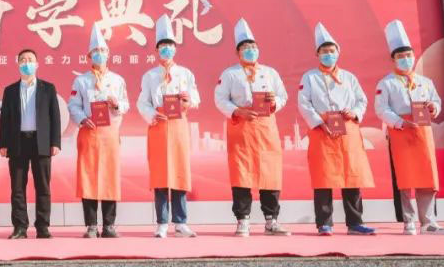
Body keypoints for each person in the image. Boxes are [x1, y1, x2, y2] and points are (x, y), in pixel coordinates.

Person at [374, 19, 444, 236]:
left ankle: (428, 222)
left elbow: (436, 101)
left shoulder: (425, 82)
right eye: (401, 56)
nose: (406, 59)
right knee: (405, 177)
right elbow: (381, 109)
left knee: (427, 175)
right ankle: (408, 221)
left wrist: (434, 107)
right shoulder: (386, 83)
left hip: (423, 133)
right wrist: (400, 122)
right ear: (393, 59)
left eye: (408, 55)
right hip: (400, 134)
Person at [296, 23, 376, 236]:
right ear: (317, 54)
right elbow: (304, 103)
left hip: (347, 131)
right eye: (324, 51)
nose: (328, 54)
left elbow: (361, 100)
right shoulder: (309, 77)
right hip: (322, 131)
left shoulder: (349, 77)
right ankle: (324, 223)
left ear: (338, 52)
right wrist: (318, 122)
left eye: (332, 51)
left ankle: (355, 223)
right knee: (324, 177)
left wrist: (354, 112)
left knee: (352, 176)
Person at [214, 18, 291, 237]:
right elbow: (220, 99)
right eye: (246, 47)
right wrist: (238, 111)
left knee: (270, 173)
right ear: (237, 52)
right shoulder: (230, 74)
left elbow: (283, 96)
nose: (250, 50)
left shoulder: (270, 72)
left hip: (266, 129)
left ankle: (271, 220)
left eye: (253, 47)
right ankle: (243, 220)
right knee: (242, 175)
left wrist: (275, 102)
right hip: (242, 129)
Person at [137, 15, 200, 238]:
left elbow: (196, 97)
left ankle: (181, 222)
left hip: (179, 126)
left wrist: (188, 100)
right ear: (157, 50)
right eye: (162, 46)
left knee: (180, 173)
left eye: (170, 45)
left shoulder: (186, 73)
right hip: (159, 127)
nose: (166, 49)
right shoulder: (150, 75)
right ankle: (162, 222)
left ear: (175, 48)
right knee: (160, 175)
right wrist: (151, 114)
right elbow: (142, 102)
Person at [68, 24, 129, 238]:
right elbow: (73, 105)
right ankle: (91, 225)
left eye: (103, 51)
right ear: (89, 56)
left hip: (110, 134)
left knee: (110, 177)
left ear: (109, 54)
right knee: (89, 178)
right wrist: (82, 119)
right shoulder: (81, 80)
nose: (99, 54)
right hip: (89, 133)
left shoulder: (118, 80)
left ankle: (109, 225)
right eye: (95, 51)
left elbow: (126, 104)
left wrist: (116, 104)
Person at [0, 48, 62, 239]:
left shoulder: (48, 88)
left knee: (43, 187)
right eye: (23, 60)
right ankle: (20, 227)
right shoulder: (10, 90)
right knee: (18, 188)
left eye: (30, 60)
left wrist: (55, 142)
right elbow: (5, 119)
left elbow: (55, 117)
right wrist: (3, 144)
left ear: (37, 64)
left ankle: (42, 226)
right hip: (17, 142)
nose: (27, 63)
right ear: (18, 64)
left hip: (41, 142)